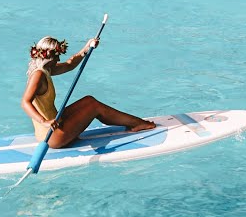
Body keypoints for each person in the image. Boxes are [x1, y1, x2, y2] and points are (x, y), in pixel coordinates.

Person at [22, 35, 155, 147]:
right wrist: (43, 121)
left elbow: (69, 65)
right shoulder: (38, 75)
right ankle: (137, 124)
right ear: (49, 56)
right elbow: (25, 102)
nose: (59, 59)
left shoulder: (46, 70)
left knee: (89, 100)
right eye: (57, 56)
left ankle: (134, 122)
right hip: (52, 135)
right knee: (94, 107)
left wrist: (86, 48)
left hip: (55, 124)